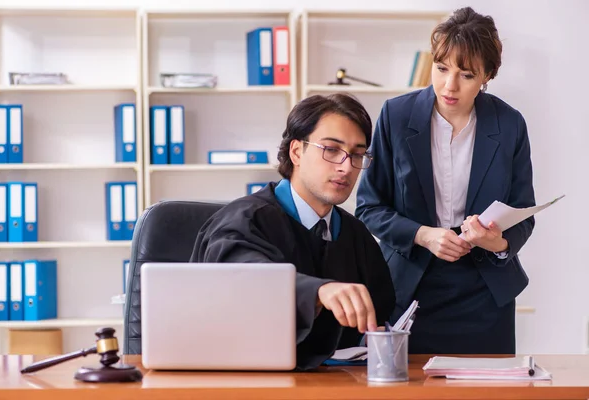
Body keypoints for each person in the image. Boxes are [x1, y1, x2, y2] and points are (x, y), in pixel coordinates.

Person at [355, 6, 536, 355]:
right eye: (441, 69)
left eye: (466, 75)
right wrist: (424, 234)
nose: (449, 85)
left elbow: (523, 214)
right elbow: (369, 206)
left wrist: (496, 242)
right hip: (408, 287)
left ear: (487, 76)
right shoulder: (396, 115)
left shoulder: (510, 124)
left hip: (485, 293)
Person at [190, 93, 396, 370]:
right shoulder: (244, 220)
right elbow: (238, 277)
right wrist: (317, 291)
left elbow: (380, 313)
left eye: (357, 154)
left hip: (340, 385)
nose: (346, 167)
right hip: (250, 382)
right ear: (296, 152)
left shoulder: (355, 234)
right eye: (331, 150)